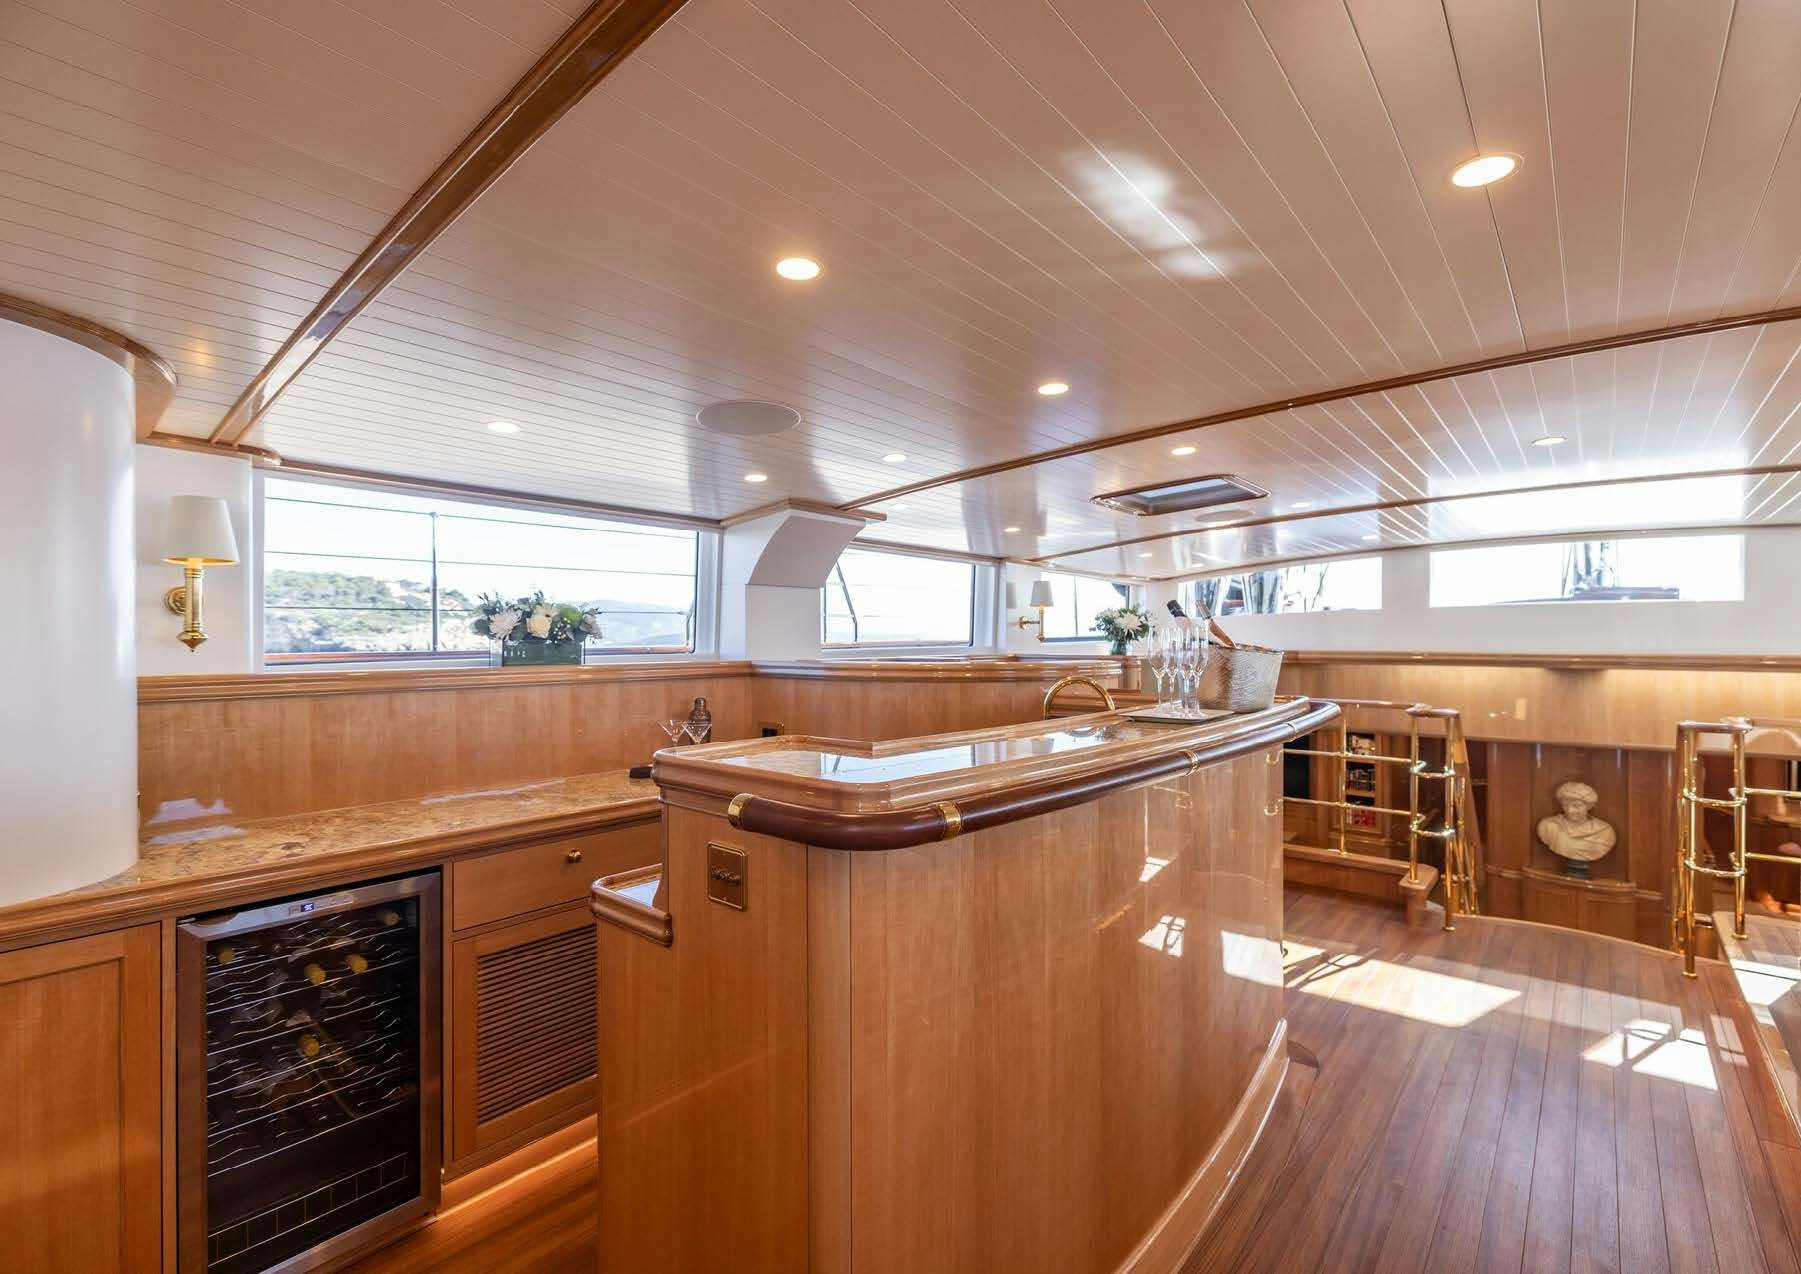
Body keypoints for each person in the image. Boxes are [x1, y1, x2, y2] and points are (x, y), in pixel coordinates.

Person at [1537, 780, 1616, 876]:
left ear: (1588, 806)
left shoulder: (1605, 832)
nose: (1570, 810)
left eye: (1576, 806)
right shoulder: (1548, 826)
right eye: (1565, 805)